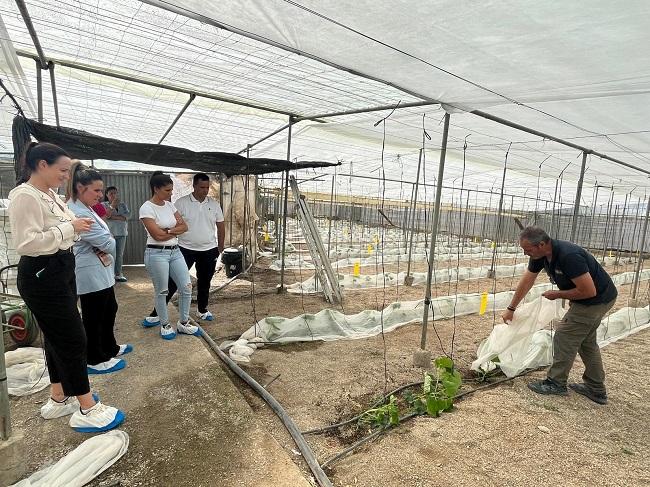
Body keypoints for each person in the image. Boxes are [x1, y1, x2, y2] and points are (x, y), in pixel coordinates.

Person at [9, 142, 125, 432]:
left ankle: (60, 397)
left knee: (56, 337)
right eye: (62, 170)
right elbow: (27, 243)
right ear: (42, 165)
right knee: (74, 338)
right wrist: (70, 228)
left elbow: (64, 233)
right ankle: (87, 407)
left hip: (60, 267)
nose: (66, 176)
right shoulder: (25, 196)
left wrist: (73, 232)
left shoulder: (50, 195)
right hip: (42, 273)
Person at [502, 226, 617, 404]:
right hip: (593, 298)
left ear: (541, 244)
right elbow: (528, 280)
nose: (525, 253)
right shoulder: (540, 255)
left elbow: (589, 290)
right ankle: (596, 388)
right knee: (586, 342)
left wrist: (558, 294)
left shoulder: (568, 256)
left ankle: (556, 383)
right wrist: (511, 308)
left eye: (527, 249)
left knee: (564, 336)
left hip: (597, 300)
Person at [67, 162, 133, 374]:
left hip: (100, 268)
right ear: (80, 188)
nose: (100, 194)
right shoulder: (75, 210)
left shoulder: (86, 208)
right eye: (96, 190)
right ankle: (94, 358)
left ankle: (109, 347)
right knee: (94, 315)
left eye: (101, 190)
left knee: (109, 308)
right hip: (88, 271)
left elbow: (104, 238)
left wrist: (106, 239)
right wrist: (108, 240)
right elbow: (107, 243)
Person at [143, 173, 225, 324]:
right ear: (194, 186)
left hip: (209, 249)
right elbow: (176, 225)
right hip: (184, 249)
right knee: (172, 283)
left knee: (205, 281)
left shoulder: (214, 204)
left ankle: (202, 310)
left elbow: (220, 225)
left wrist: (220, 247)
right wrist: (172, 232)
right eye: (202, 187)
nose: (205, 190)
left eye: (207, 187)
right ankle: (156, 313)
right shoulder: (181, 203)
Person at [139, 171, 200, 339]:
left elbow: (184, 226)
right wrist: (174, 231)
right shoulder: (146, 208)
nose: (171, 193)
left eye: (171, 190)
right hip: (156, 253)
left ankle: (184, 322)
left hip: (175, 251)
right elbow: (157, 236)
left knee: (186, 287)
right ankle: (164, 324)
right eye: (167, 190)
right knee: (162, 291)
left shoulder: (169, 205)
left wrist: (168, 231)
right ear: (155, 189)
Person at [103, 186, 130, 282]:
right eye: (111, 193)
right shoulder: (104, 205)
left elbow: (126, 217)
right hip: (110, 234)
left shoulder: (122, 205)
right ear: (107, 195)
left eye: (115, 193)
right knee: (109, 254)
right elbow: (106, 216)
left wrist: (112, 217)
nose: (114, 195)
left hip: (122, 233)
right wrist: (113, 207)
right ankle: (109, 274)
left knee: (119, 255)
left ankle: (118, 274)